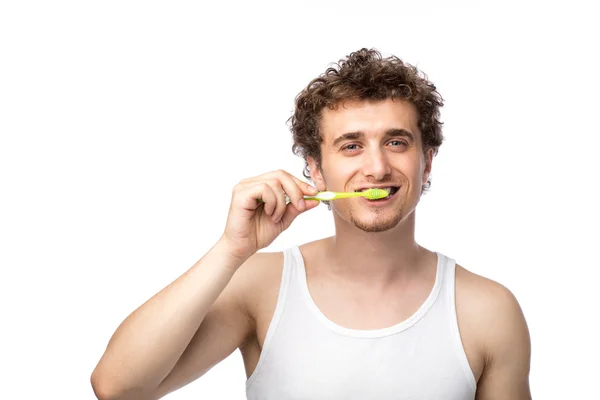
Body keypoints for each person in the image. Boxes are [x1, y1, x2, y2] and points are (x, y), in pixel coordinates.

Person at [91, 48, 531, 400]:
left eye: (396, 142)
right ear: (316, 171)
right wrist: (231, 249)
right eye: (351, 146)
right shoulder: (260, 288)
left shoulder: (487, 311)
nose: (377, 167)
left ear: (427, 161)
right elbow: (117, 387)